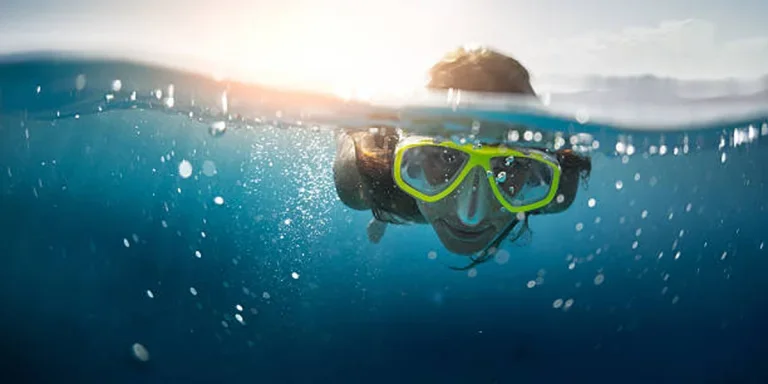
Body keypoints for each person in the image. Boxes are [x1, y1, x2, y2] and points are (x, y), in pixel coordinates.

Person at [333, 46, 592, 269]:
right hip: (386, 187)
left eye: (512, 165)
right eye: (445, 158)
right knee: (379, 192)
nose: (471, 217)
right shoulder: (357, 180)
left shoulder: (554, 188)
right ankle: (382, 215)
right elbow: (347, 129)